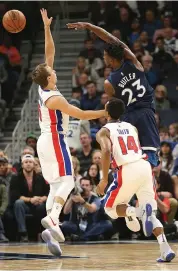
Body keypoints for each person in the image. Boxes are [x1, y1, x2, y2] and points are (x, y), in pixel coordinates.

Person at [31, 9, 105, 257]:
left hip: (44, 141)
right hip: (54, 140)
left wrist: (46, 28)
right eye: (52, 72)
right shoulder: (54, 98)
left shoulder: (44, 87)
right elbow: (82, 114)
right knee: (69, 181)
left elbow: (49, 53)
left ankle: (50, 227)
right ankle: (53, 218)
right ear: (49, 78)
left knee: (55, 185)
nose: (54, 71)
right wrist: (104, 111)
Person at [67, 22, 160, 168]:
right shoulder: (134, 62)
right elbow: (113, 40)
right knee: (151, 159)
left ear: (110, 58)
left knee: (130, 159)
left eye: (105, 56)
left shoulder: (109, 83)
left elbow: (116, 107)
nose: (104, 58)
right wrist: (91, 27)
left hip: (129, 118)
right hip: (147, 112)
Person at [96, 98, 175, 262]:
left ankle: (135, 212)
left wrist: (104, 179)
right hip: (144, 166)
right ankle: (165, 249)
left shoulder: (103, 131)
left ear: (107, 112)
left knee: (109, 208)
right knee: (151, 214)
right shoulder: (132, 127)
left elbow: (106, 150)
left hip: (127, 169)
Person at [9, 154, 49, 242]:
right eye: (26, 162)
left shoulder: (40, 178)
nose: (28, 164)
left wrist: (42, 198)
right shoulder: (16, 178)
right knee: (18, 203)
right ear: (22, 165)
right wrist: (30, 200)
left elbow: (48, 192)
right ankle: (23, 233)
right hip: (24, 206)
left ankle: (41, 233)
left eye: (30, 162)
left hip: (38, 204)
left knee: (42, 206)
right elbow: (15, 195)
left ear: (34, 164)